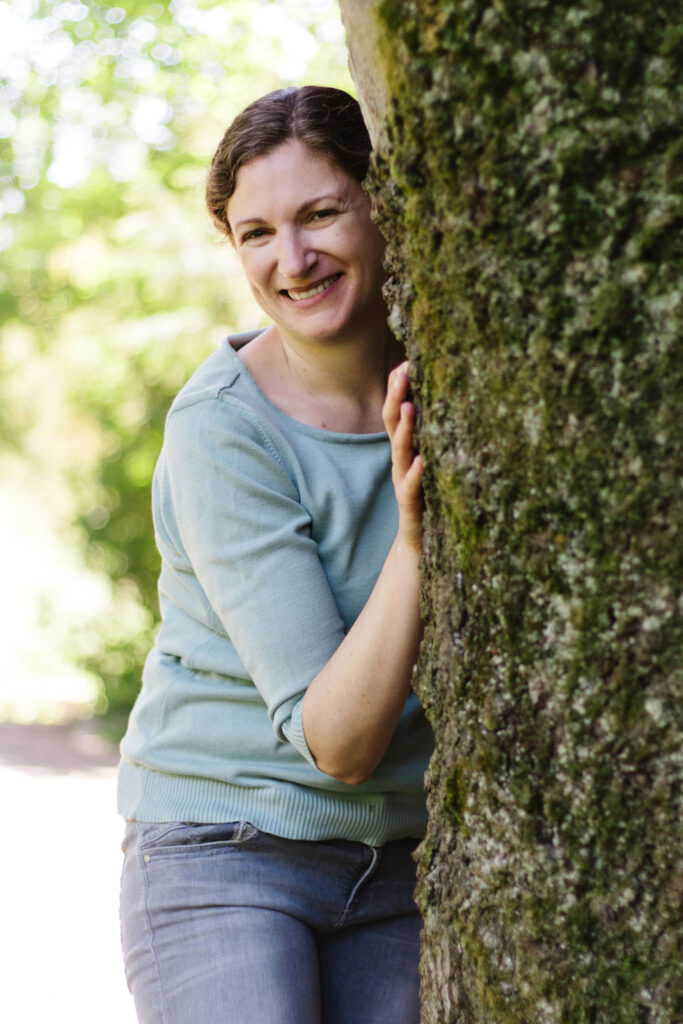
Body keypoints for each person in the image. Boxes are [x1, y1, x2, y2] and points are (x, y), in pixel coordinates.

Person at [118, 85, 432, 1024]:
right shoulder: (223, 431)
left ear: (384, 208)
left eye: (321, 213)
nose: (291, 260)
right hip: (223, 845)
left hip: (400, 866)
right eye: (256, 233)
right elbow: (336, 743)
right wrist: (416, 546)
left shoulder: (457, 375)